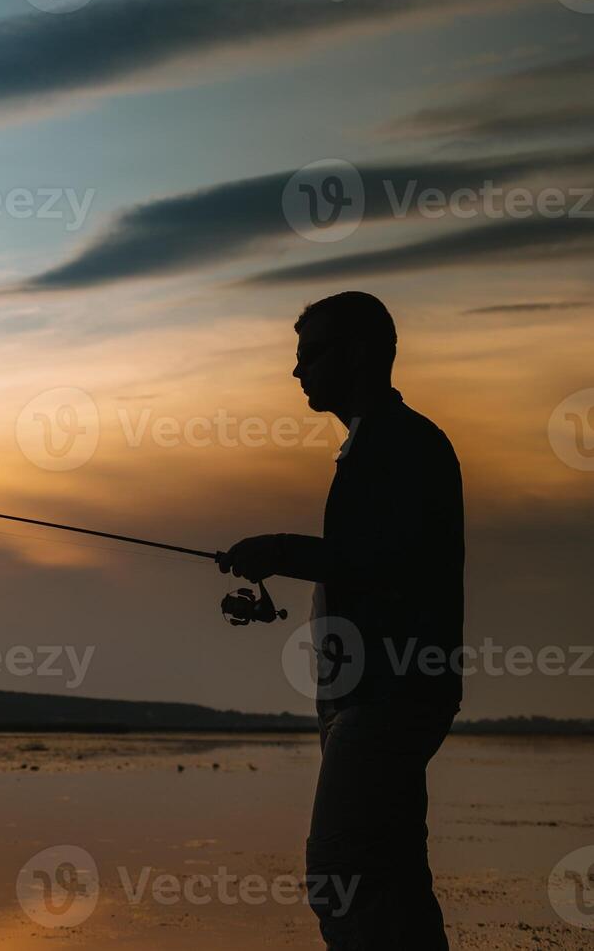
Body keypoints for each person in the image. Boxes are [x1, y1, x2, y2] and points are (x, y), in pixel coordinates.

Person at [218, 291, 464, 949]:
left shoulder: (401, 446)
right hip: (367, 696)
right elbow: (367, 570)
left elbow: (381, 560)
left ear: (356, 354)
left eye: (310, 356)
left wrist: (280, 550)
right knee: (395, 879)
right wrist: (277, 590)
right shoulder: (373, 446)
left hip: (388, 696)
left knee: (342, 874)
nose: (298, 372)